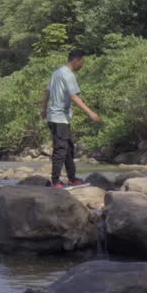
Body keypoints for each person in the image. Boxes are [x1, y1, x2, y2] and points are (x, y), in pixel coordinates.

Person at [39, 49, 101, 188]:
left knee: (68, 149)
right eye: (82, 62)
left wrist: (43, 109)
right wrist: (90, 113)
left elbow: (47, 90)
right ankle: (55, 181)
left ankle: (72, 178)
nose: (82, 65)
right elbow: (74, 96)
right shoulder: (68, 75)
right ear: (76, 60)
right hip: (59, 117)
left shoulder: (57, 72)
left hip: (56, 117)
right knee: (61, 149)